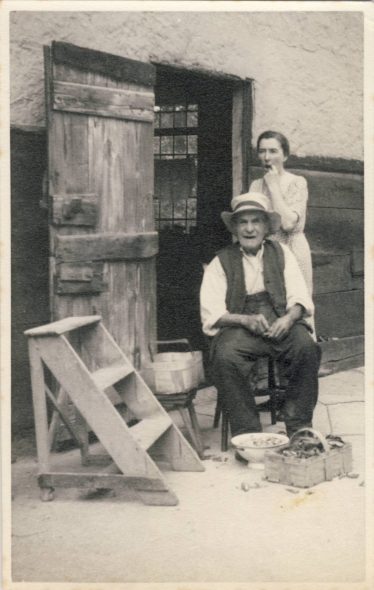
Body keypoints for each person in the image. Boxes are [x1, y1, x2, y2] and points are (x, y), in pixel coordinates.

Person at [200, 192, 321, 440]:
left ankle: (298, 426)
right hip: (239, 327)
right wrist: (244, 319)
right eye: (243, 222)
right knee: (225, 357)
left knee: (306, 348)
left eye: (256, 221)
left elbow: (299, 295)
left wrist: (288, 319)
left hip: (279, 319)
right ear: (234, 228)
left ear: (266, 227)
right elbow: (212, 312)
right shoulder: (220, 262)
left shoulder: (283, 253)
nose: (249, 228)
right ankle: (248, 435)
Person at [250, 131, 313, 296]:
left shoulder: (298, 182)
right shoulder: (255, 186)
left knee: (297, 303)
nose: (266, 157)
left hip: (293, 249)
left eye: (273, 151)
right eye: (262, 151)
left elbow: (287, 224)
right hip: (267, 252)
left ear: (285, 156)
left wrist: (273, 186)